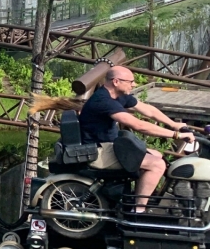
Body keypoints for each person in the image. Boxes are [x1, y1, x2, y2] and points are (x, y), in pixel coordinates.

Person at [78, 65, 193, 212]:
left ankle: (138, 196)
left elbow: (148, 110)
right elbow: (139, 125)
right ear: (116, 81)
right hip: (97, 151)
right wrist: (176, 135)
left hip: (109, 145)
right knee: (157, 165)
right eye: (130, 81)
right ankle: (138, 210)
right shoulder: (103, 101)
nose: (134, 84)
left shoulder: (118, 96)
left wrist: (173, 124)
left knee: (157, 155)